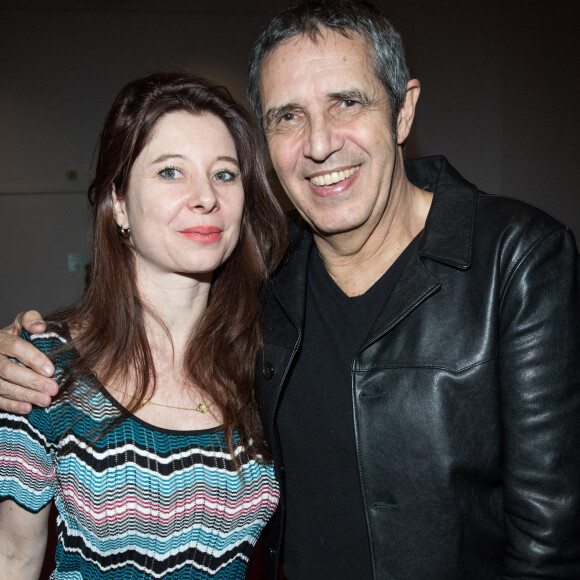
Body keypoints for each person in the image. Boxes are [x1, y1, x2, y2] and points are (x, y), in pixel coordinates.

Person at [2, 1, 580, 578]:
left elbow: (549, 539)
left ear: (403, 112)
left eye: (346, 103)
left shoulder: (515, 258)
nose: (320, 143)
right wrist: (16, 353)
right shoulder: (269, 291)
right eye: (288, 116)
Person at [0, 70, 287, 579]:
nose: (206, 197)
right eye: (170, 172)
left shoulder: (269, 360)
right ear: (118, 202)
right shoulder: (44, 368)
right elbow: (13, 559)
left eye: (224, 173)